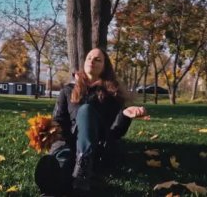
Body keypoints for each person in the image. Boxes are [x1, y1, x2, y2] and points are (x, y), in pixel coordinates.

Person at [34, 48, 149, 196]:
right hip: (69, 144)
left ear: (104, 67)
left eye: (97, 59)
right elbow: (58, 121)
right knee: (64, 160)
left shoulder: (112, 94)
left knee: (86, 110)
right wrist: (55, 140)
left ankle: (82, 168)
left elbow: (114, 133)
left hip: (97, 147)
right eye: (89, 58)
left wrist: (125, 116)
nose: (92, 61)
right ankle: (54, 185)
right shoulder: (67, 91)